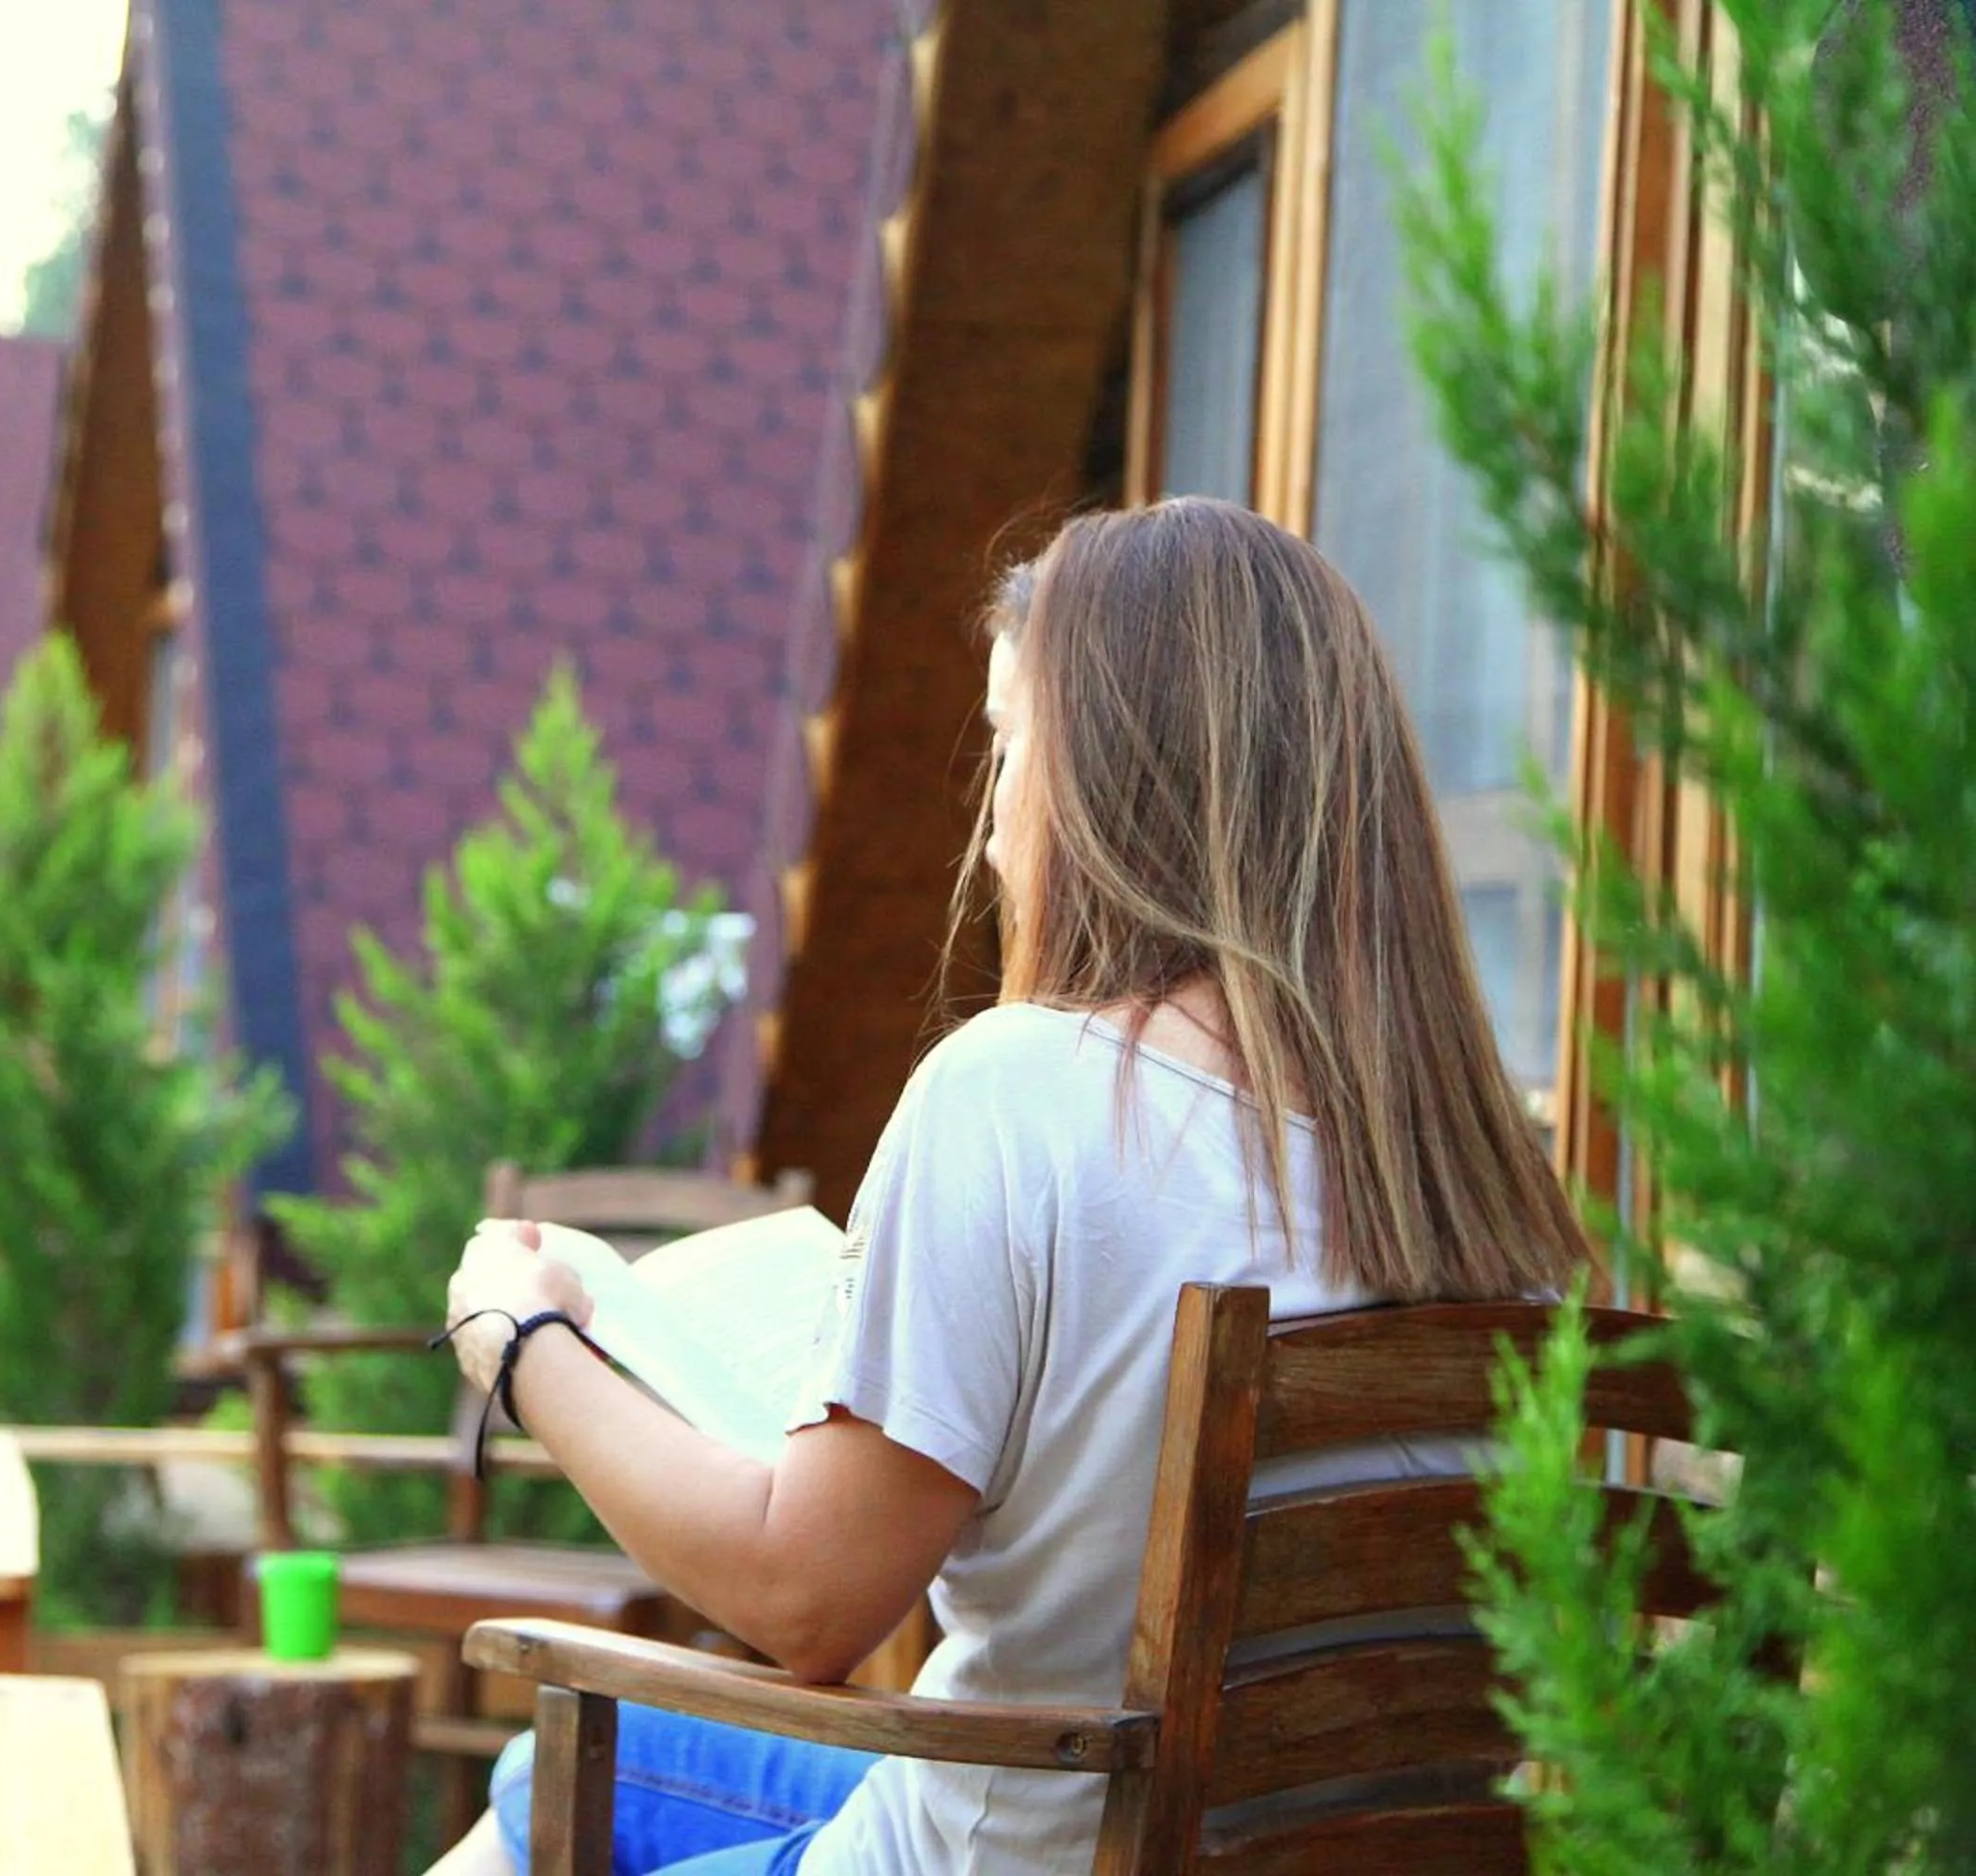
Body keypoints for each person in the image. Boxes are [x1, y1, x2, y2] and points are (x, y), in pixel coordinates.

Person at [424, 498, 1586, 1874]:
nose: (989, 834)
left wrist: (525, 1346)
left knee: (553, 1757)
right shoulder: (1482, 1182)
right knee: (541, 1779)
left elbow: (804, 1602)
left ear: (1112, 780)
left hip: (1021, 1852)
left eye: (1011, 745)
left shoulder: (1019, 1097)